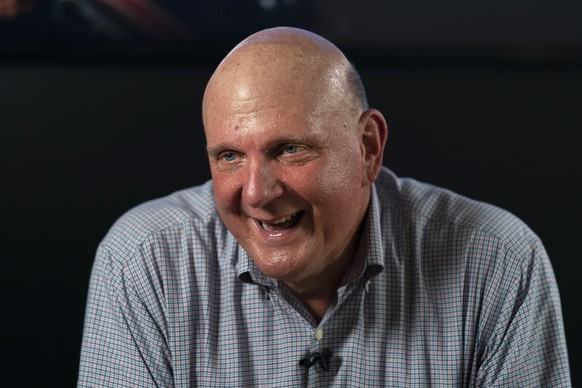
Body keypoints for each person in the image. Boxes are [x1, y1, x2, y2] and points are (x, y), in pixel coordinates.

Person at [78, 27, 571, 386]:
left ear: (368, 148)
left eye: (289, 149)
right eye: (229, 156)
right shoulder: (143, 260)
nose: (256, 193)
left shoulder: (499, 262)